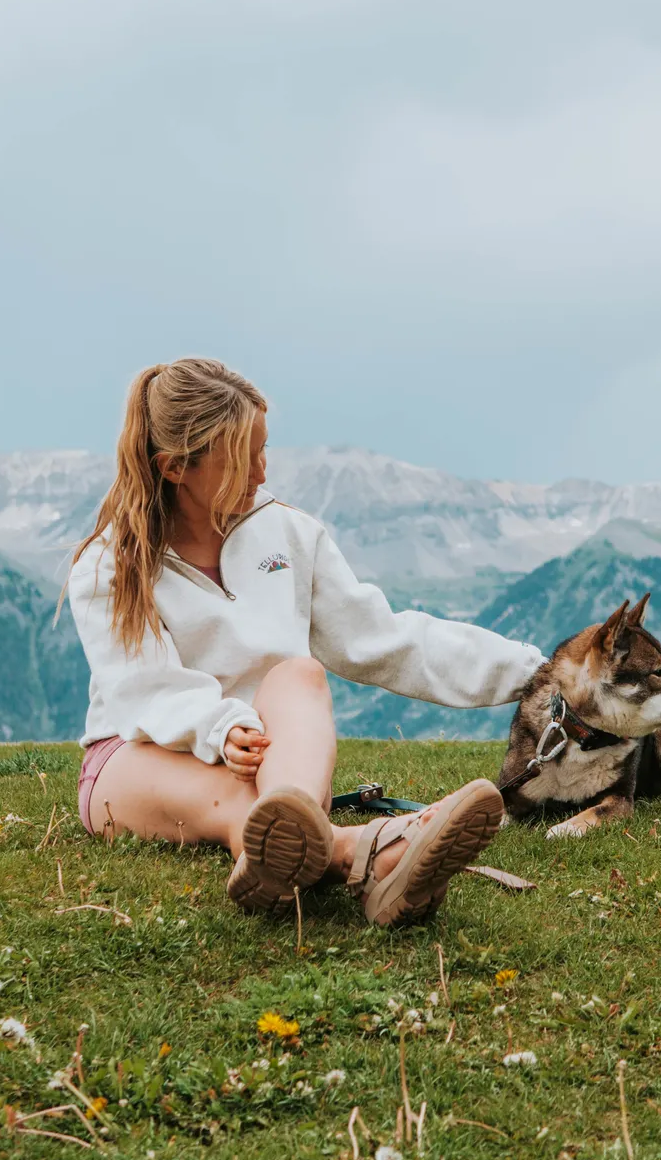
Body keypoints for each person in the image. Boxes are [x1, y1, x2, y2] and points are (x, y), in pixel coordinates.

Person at [68, 357, 543, 926]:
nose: (262, 473)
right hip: (137, 759)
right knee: (231, 800)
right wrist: (219, 727)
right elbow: (143, 689)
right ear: (175, 469)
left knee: (302, 674)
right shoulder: (109, 564)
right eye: (244, 459)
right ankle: (374, 849)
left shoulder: (291, 535)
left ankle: (291, 839)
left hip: (272, 767)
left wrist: (539, 674)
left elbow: (384, 641)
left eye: (265, 451)